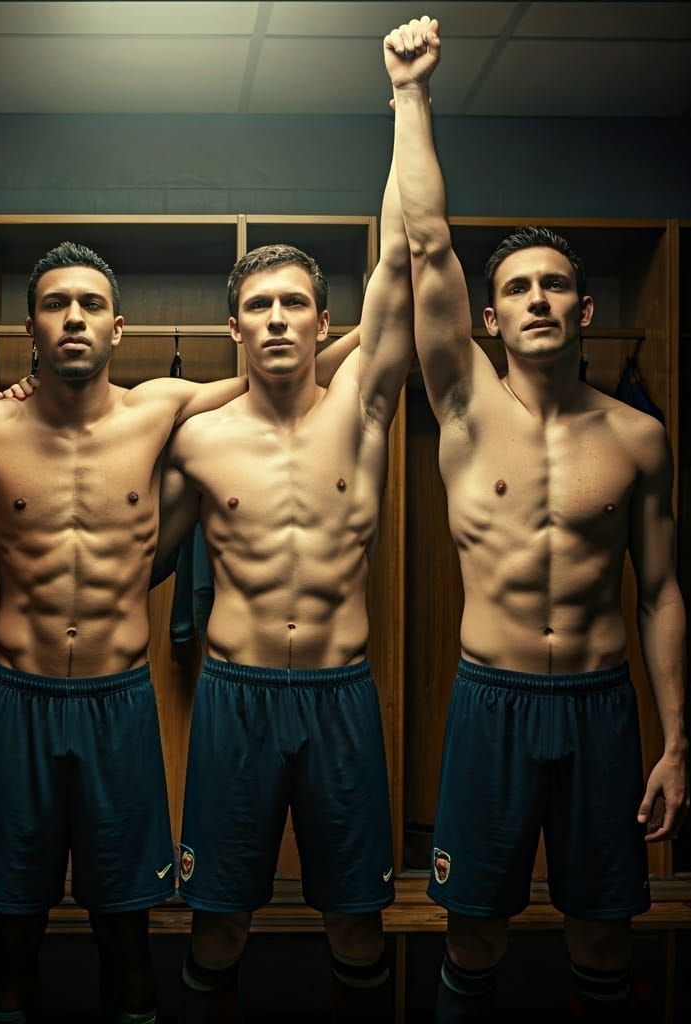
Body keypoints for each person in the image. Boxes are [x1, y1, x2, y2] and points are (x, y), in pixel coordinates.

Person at [385, 17, 689, 1021]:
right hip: (493, 704)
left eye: (557, 283)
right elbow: (425, 241)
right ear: (487, 317)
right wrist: (410, 97)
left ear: (587, 309)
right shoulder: (464, 405)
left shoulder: (638, 438)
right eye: (516, 287)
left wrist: (677, 741)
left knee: (604, 930)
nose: (538, 298)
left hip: (603, 707)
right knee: (472, 927)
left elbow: (659, 591)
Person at [0, 241, 266, 1024]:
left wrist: (376, 317)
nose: (74, 317)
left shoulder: (159, 409)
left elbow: (287, 367)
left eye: (91, 304)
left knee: (127, 936)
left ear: (119, 326)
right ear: (28, 326)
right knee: (10, 935)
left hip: (119, 706)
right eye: (56, 304)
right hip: (15, 703)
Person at [158, 127, 413, 1023]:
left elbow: (404, 263)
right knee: (218, 925)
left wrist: (408, 99)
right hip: (236, 697)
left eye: (293, 304)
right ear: (234, 327)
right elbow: (133, 556)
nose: (275, 319)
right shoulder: (197, 440)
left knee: (356, 926)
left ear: (324, 323)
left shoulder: (364, 409)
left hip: (341, 695)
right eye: (258, 306)